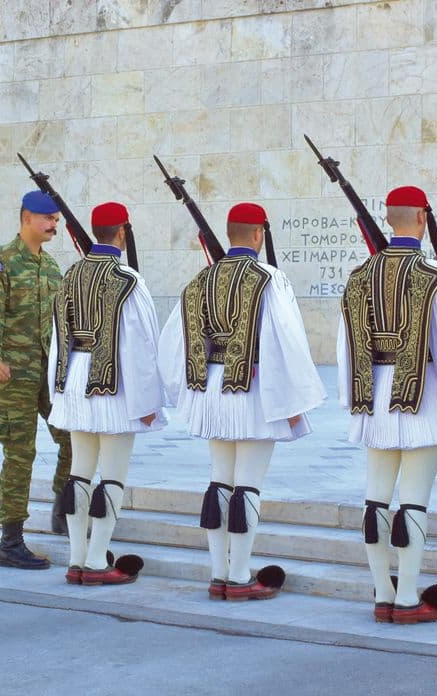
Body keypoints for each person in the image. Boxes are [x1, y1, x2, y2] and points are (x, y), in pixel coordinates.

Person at [158, 203, 326, 601]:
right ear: (258, 235)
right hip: (251, 392)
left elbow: (174, 340)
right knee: (247, 484)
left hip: (211, 391)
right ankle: (239, 575)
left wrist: (185, 389)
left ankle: (218, 574)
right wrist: (293, 397)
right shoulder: (269, 278)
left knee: (219, 479)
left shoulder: (201, 279)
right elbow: (285, 340)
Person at [337, 186, 437, 624]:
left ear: (389, 219)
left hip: (374, 399)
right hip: (423, 398)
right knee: (414, 500)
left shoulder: (359, 275)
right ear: (422, 219)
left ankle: (382, 594)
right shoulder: (433, 276)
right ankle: (406, 599)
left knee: (376, 499)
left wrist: (356, 401)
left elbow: (348, 347)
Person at [49, 202, 166, 586]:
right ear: (122, 233)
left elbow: (57, 338)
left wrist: (59, 389)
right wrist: (148, 401)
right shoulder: (128, 279)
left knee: (79, 472)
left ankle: (76, 558)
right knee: (112, 473)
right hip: (113, 382)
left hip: (75, 378)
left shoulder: (70, 275)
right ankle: (97, 561)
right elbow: (140, 344)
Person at [0, 190, 72, 570]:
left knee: (72, 437)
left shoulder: (50, 269)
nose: (53, 226)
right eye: (48, 219)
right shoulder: (2, 263)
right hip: (12, 375)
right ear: (27, 217)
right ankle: (11, 541)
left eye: (56, 221)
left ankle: (63, 506)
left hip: (47, 373)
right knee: (20, 455)